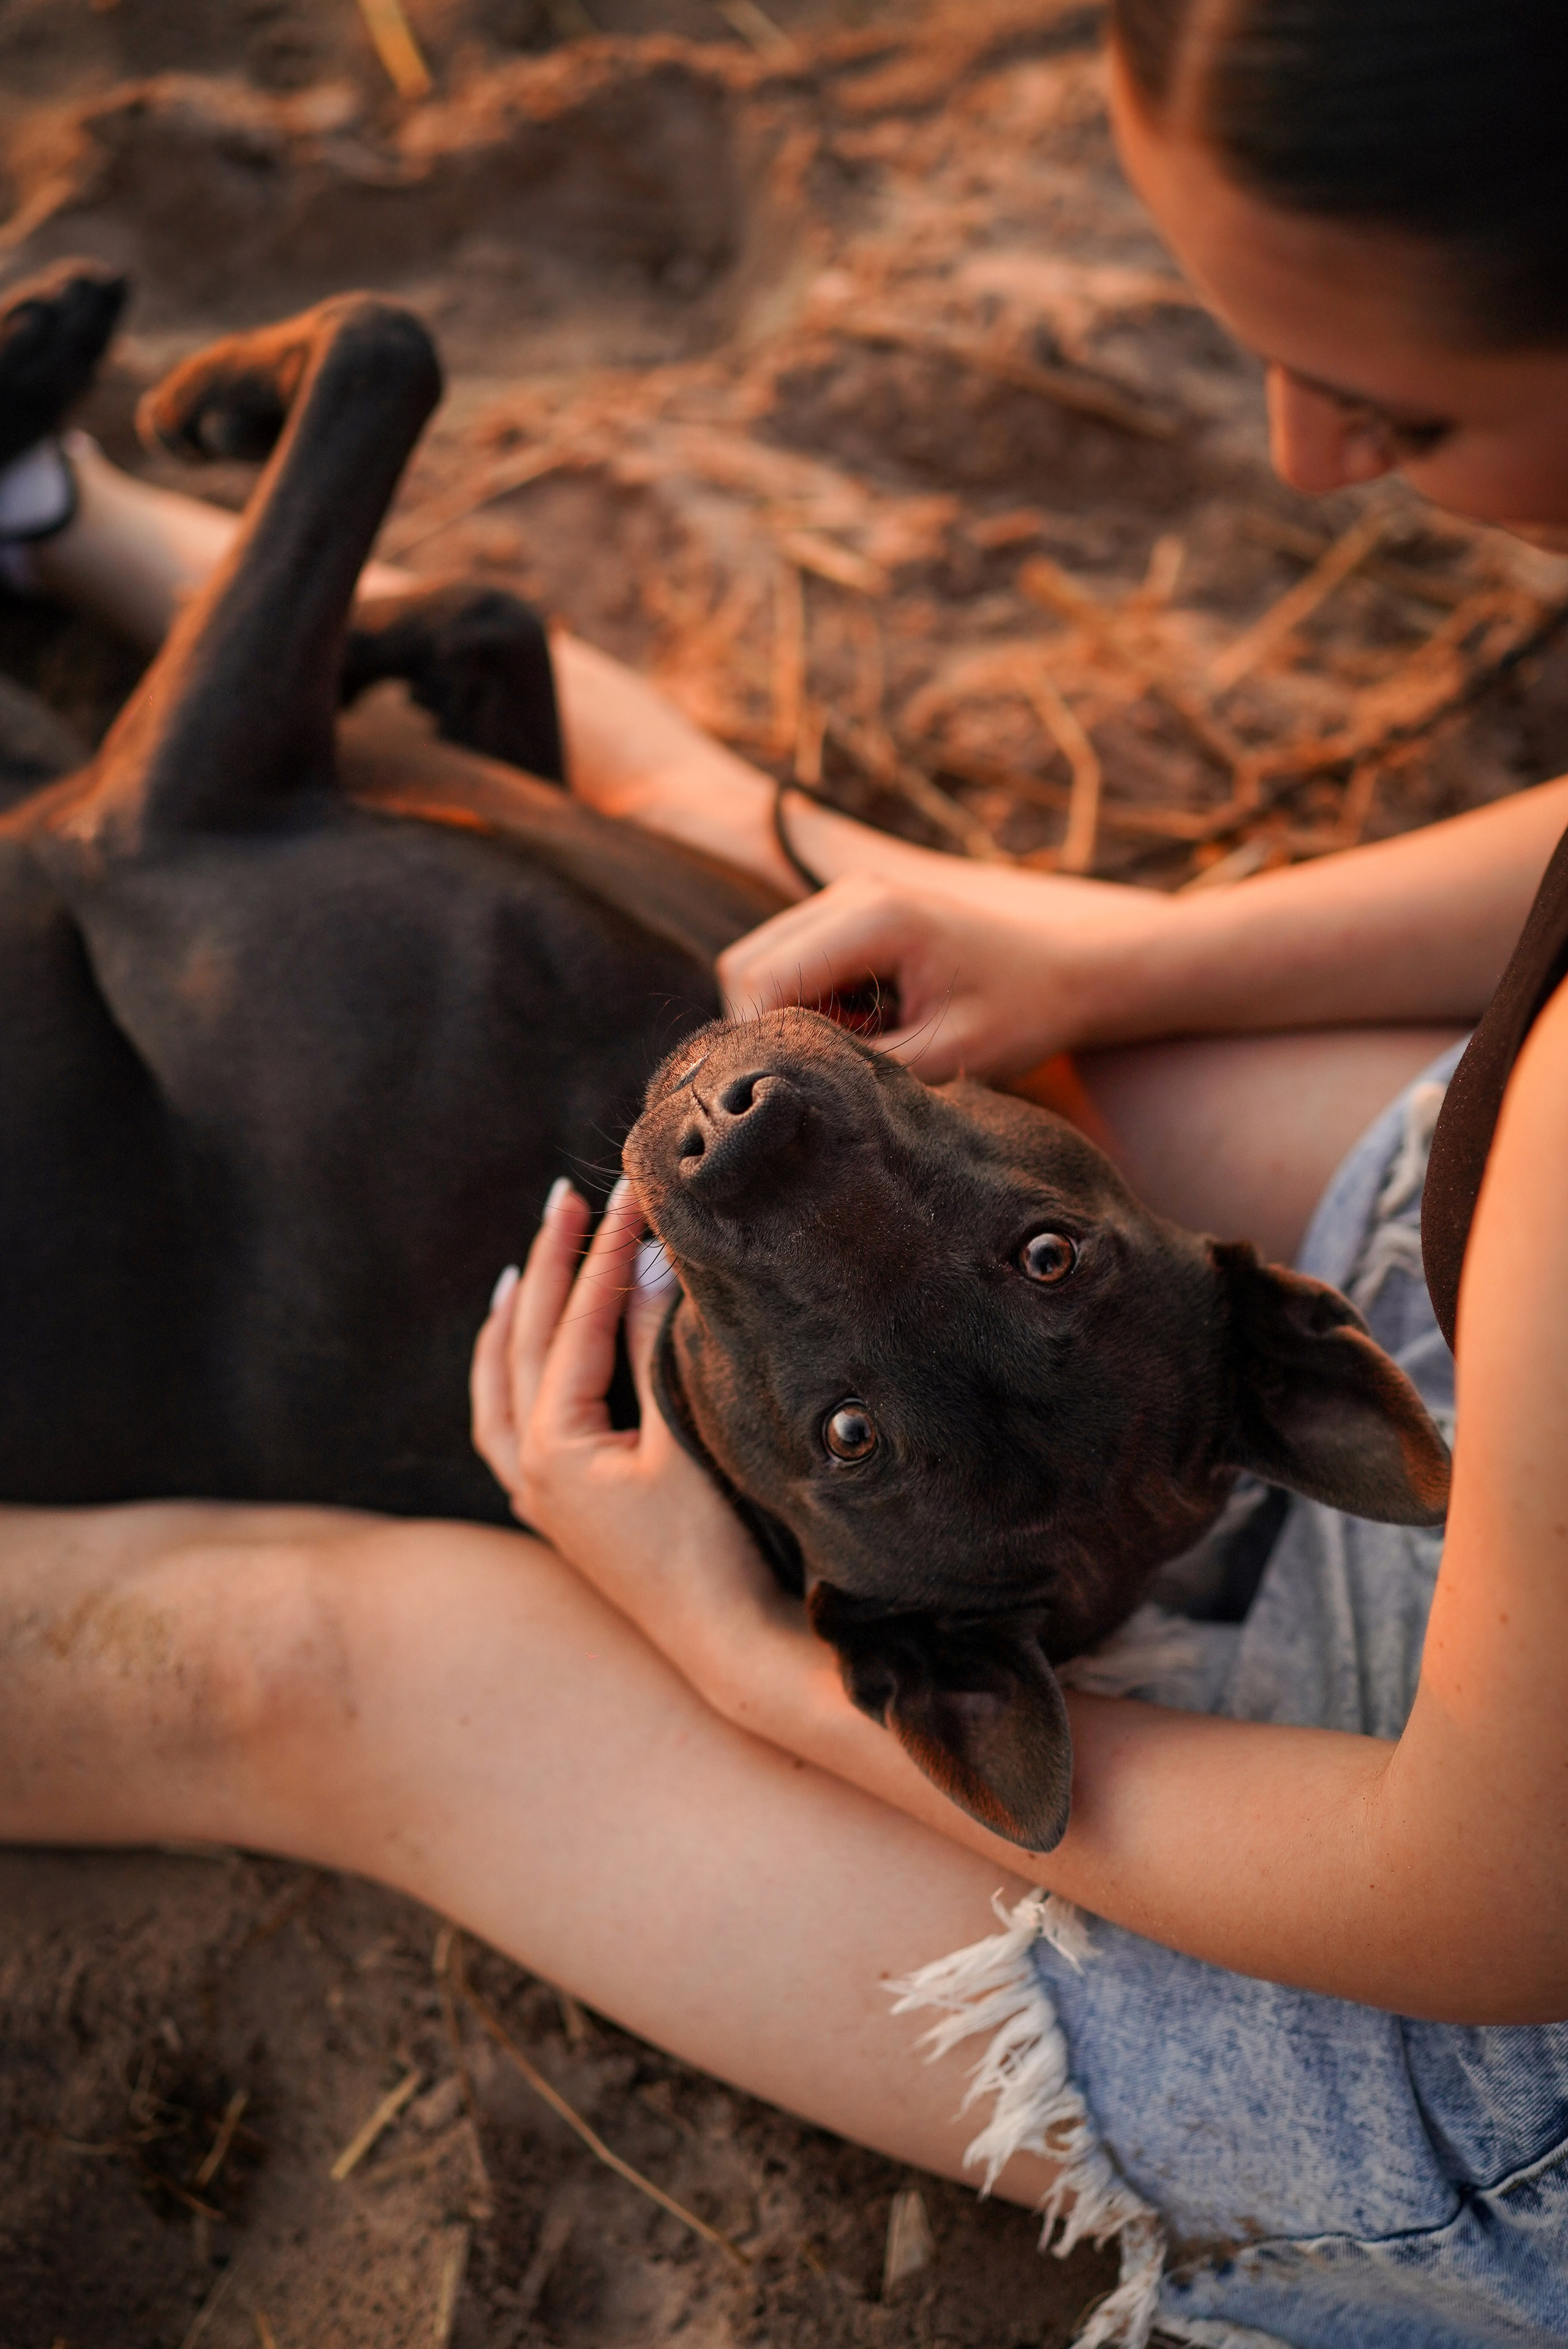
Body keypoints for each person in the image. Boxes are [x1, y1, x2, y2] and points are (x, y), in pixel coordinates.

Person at [7, 5, 1568, 2342]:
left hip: (1498, 2015)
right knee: (812, 915)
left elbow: (1494, 1898)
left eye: (1400, 408)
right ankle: (71, 515)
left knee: (333, 1671)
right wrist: (1120, 940)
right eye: (1256, 347)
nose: (1302, 456)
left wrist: (755, 1670)